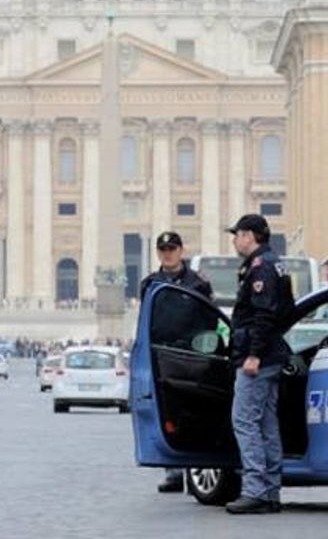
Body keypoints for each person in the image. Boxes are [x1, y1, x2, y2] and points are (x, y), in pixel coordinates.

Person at [224, 214, 293, 515]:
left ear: (249, 236)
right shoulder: (276, 263)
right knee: (266, 424)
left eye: (237, 235)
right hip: (272, 353)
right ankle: (270, 490)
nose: (235, 241)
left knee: (244, 421)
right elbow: (287, 311)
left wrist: (253, 354)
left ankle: (255, 490)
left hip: (257, 358)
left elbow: (263, 315)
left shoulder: (260, 267)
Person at [138, 231, 213, 495]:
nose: (168, 254)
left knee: (192, 411)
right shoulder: (149, 283)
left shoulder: (198, 283)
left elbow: (208, 319)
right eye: (163, 250)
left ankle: (193, 467)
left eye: (172, 249)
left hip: (191, 355)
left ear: (181, 251)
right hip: (160, 355)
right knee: (166, 412)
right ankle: (172, 470)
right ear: (158, 253)